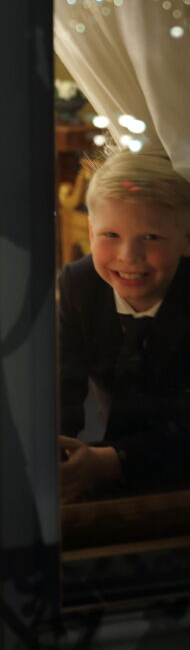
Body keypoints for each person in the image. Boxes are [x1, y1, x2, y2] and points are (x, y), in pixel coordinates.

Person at [59, 150, 190, 502]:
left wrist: (107, 462)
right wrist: (56, 451)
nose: (128, 255)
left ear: (185, 239)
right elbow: (62, 381)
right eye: (111, 235)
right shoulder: (79, 282)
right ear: (90, 231)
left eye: (151, 237)